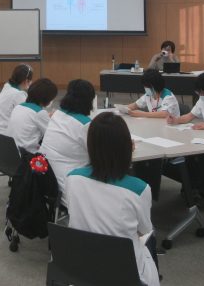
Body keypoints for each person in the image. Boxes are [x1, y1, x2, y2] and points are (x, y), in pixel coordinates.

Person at [66, 112, 160, 286]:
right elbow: (144, 229)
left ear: (90, 146)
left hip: (81, 268)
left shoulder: (72, 178)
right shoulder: (139, 189)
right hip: (125, 273)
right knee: (149, 240)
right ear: (127, 147)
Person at [40, 79, 95, 205]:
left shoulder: (56, 115)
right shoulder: (85, 125)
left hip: (45, 181)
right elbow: (104, 155)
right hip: (69, 188)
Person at [8, 78, 58, 154]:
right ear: (46, 99)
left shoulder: (19, 106)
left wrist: (46, 117)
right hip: (26, 155)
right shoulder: (40, 113)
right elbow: (52, 135)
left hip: (11, 151)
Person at [0, 64, 33, 135]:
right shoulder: (19, 94)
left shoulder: (7, 86)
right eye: (30, 80)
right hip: (4, 136)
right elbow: (29, 116)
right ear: (26, 81)